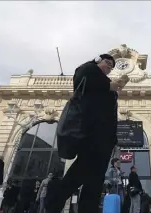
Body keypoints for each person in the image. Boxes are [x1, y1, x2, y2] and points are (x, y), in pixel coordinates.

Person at [46, 54, 128, 213]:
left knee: (95, 181)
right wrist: (109, 85)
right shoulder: (88, 71)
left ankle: (82, 207)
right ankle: (54, 200)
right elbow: (83, 75)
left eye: (111, 67)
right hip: (91, 134)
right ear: (98, 60)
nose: (109, 68)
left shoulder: (106, 86)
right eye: (107, 63)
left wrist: (113, 140)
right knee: (81, 172)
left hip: (105, 140)